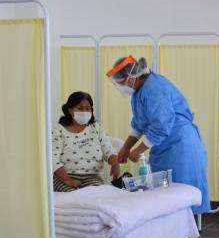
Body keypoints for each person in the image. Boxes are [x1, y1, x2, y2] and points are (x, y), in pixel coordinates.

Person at [106, 55, 210, 215]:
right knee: (164, 194)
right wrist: (126, 147)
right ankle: (172, 231)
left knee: (181, 192)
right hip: (163, 145)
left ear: (131, 77)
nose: (120, 87)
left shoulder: (155, 89)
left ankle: (185, 233)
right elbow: (139, 124)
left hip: (180, 144)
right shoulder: (138, 92)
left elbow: (161, 127)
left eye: (120, 83)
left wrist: (137, 151)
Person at [53, 92, 120, 192]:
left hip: (92, 177)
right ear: (70, 110)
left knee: (97, 195)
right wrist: (68, 180)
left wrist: (115, 164)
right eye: (80, 108)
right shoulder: (58, 130)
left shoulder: (96, 127)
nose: (84, 112)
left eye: (88, 108)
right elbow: (52, 160)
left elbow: (108, 150)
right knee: (74, 198)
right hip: (65, 177)